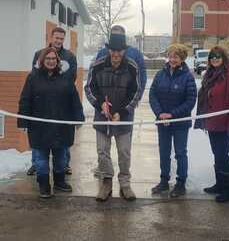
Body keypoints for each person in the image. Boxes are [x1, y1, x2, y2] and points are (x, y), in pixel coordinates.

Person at [17, 46, 84, 199]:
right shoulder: (32, 78)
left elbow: (74, 100)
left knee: (61, 158)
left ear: (57, 61)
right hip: (39, 128)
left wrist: (78, 118)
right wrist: (23, 121)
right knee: (41, 159)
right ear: (42, 61)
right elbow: (25, 100)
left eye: (54, 59)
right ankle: (44, 185)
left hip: (61, 126)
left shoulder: (65, 79)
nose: (51, 61)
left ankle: (60, 182)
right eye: (48, 59)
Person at [85, 30, 142, 202]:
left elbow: (136, 92)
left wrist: (122, 112)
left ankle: (125, 183)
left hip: (123, 117)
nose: (116, 54)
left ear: (124, 50)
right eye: (113, 50)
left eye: (119, 50)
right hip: (102, 117)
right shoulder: (97, 65)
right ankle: (106, 182)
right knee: (102, 152)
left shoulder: (132, 67)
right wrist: (99, 103)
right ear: (109, 50)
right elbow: (89, 88)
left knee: (124, 152)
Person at [92, 25, 147, 179]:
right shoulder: (101, 55)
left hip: (125, 107)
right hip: (104, 109)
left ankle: (124, 176)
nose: (116, 52)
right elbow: (93, 84)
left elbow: (140, 79)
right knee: (102, 147)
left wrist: (132, 103)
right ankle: (105, 172)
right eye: (113, 35)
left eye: (119, 35)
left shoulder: (135, 55)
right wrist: (100, 103)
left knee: (124, 147)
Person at [193, 46, 229, 203]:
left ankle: (228, 190)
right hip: (212, 123)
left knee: (222, 155)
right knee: (218, 154)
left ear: (224, 58)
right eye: (212, 57)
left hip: (225, 124)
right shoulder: (209, 75)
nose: (214, 59)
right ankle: (219, 184)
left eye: (218, 57)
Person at [28, 27, 78, 176]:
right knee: (39, 135)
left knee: (62, 134)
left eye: (62, 39)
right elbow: (34, 77)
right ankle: (36, 164)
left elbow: (72, 78)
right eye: (56, 38)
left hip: (62, 103)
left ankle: (65, 165)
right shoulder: (39, 54)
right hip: (42, 104)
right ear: (51, 37)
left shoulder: (70, 56)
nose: (59, 41)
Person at [149, 44, 197, 198]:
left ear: (182, 58)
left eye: (176, 56)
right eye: (170, 56)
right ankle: (164, 181)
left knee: (180, 153)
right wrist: (160, 113)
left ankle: (180, 183)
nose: (172, 59)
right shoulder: (160, 74)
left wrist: (172, 114)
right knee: (164, 152)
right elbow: (153, 95)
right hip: (162, 121)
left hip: (180, 123)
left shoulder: (187, 76)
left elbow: (190, 101)